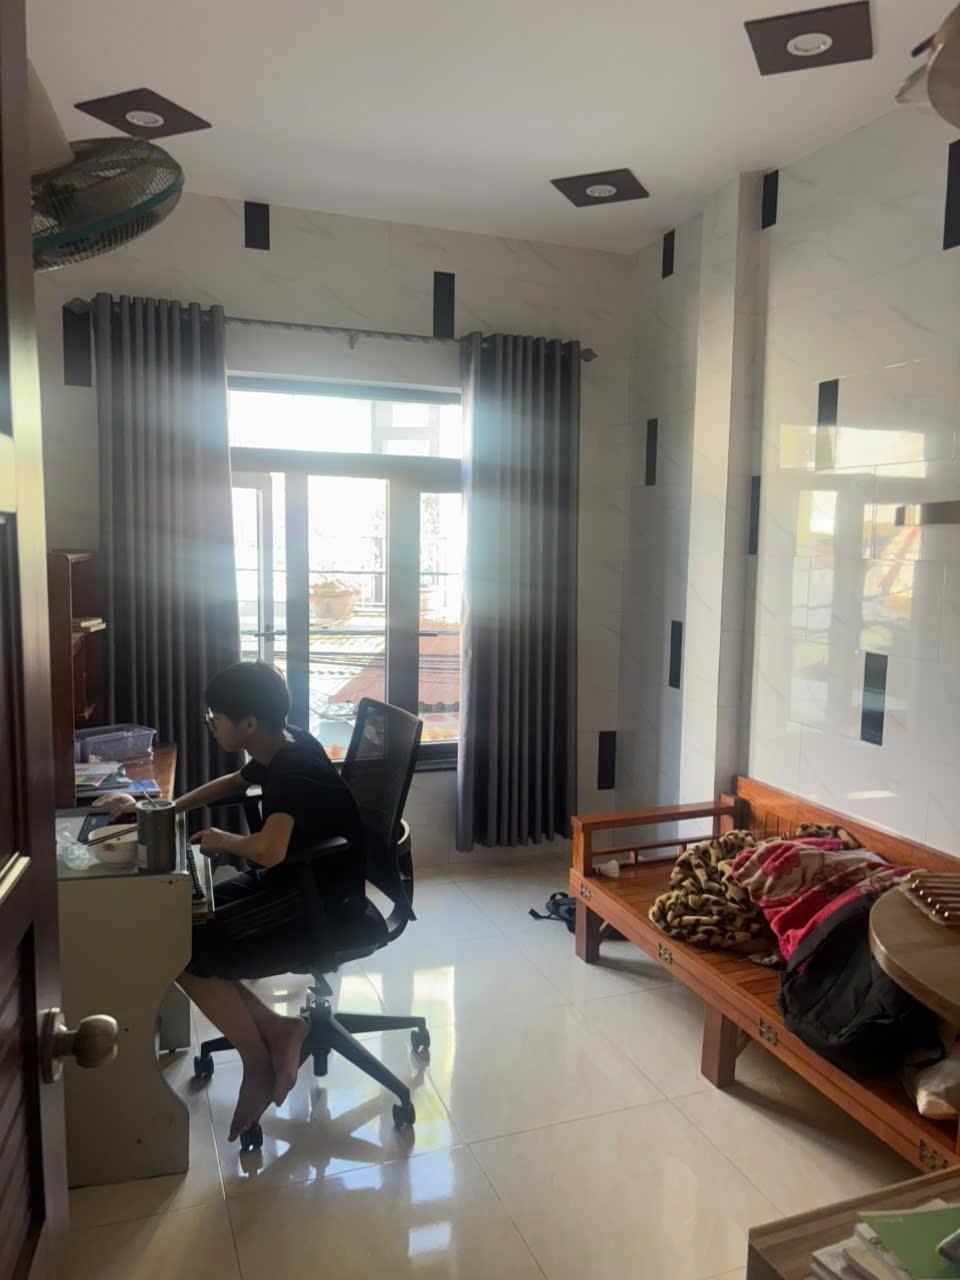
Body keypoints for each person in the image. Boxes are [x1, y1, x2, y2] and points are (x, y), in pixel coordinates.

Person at [99, 660, 364, 1142]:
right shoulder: (286, 743)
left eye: (215, 717)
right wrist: (165, 807)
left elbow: (270, 849)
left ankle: (257, 1062)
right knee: (176, 927)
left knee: (184, 949)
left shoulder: (293, 768)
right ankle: (279, 1031)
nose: (211, 724)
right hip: (300, 879)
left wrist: (224, 840)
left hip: (316, 896)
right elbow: (235, 783)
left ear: (249, 723)